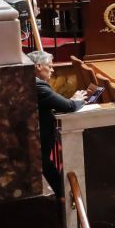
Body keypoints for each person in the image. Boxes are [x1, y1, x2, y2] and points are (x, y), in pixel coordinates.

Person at [31, 50, 84, 195]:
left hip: (37, 141)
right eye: (50, 66)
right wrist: (78, 100)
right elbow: (70, 107)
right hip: (39, 141)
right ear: (39, 66)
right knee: (55, 181)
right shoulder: (39, 86)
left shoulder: (33, 83)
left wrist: (71, 101)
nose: (53, 71)